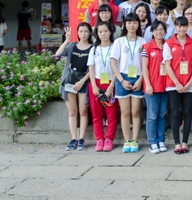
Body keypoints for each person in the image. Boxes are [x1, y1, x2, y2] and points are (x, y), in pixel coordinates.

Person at [110, 13, 145, 153]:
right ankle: (127, 140)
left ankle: (135, 140)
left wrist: (140, 80)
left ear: (138, 24)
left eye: (135, 22)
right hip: (122, 77)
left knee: (135, 112)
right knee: (124, 112)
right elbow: (113, 63)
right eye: (129, 22)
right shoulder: (119, 41)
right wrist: (122, 80)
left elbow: (146, 64)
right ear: (125, 24)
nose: (132, 25)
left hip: (138, 77)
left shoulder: (143, 41)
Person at [164, 17, 192, 155]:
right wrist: (177, 83)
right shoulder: (169, 43)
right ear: (175, 27)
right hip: (174, 84)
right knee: (174, 112)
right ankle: (177, 143)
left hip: (189, 84)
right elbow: (167, 65)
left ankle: (185, 141)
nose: (182, 29)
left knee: (188, 112)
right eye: (179, 26)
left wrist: (190, 81)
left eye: (184, 26)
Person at [56, 23, 93, 151]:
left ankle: (81, 138)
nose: (83, 34)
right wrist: (67, 40)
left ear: (90, 33)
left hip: (84, 81)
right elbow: (58, 54)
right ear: (77, 33)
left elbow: (93, 68)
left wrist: (82, 81)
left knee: (83, 111)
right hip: (70, 81)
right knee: (72, 111)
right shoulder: (72, 46)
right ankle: (73, 138)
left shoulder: (93, 48)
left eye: (86, 31)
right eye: (81, 31)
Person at [87, 21, 118, 152]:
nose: (103, 34)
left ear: (110, 32)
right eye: (100, 32)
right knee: (97, 114)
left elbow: (117, 68)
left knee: (111, 114)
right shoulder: (94, 49)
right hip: (97, 83)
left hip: (111, 83)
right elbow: (91, 68)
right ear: (97, 34)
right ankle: (99, 139)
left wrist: (111, 86)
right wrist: (94, 85)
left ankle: (109, 139)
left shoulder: (115, 47)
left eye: (105, 31)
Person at [142, 20, 169, 154]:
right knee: (152, 115)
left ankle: (161, 140)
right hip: (152, 86)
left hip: (166, 86)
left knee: (162, 115)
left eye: (161, 29)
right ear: (152, 32)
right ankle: (152, 142)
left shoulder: (168, 45)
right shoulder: (147, 47)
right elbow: (144, 68)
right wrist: (147, 84)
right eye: (156, 30)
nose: (159, 32)